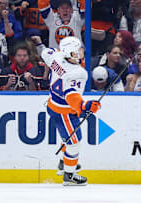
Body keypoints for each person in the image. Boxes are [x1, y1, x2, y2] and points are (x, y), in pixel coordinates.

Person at [41, 36, 101, 185]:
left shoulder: (56, 58)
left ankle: (64, 163)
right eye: (79, 49)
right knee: (74, 142)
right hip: (64, 112)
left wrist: (58, 52)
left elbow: (45, 52)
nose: (82, 50)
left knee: (69, 138)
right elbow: (71, 96)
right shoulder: (78, 73)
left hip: (53, 105)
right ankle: (69, 175)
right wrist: (85, 106)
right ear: (72, 53)